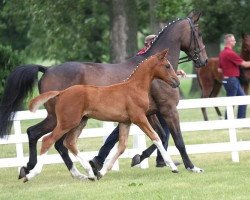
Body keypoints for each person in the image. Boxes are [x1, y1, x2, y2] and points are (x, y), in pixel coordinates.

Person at [89, 35, 186, 173]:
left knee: (164, 127)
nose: (152, 44)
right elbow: (143, 75)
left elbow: (160, 71)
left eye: (154, 42)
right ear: (147, 43)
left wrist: (174, 73)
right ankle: (100, 158)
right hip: (138, 102)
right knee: (119, 132)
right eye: (150, 42)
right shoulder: (143, 57)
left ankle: (160, 158)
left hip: (151, 102)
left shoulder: (155, 58)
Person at [219, 34, 250, 118]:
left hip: (229, 80)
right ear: (230, 42)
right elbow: (245, 64)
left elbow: (219, 69)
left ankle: (240, 120)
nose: (235, 42)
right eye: (234, 40)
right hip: (232, 80)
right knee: (231, 102)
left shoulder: (222, 53)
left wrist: (228, 70)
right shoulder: (230, 53)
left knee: (242, 99)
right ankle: (227, 121)